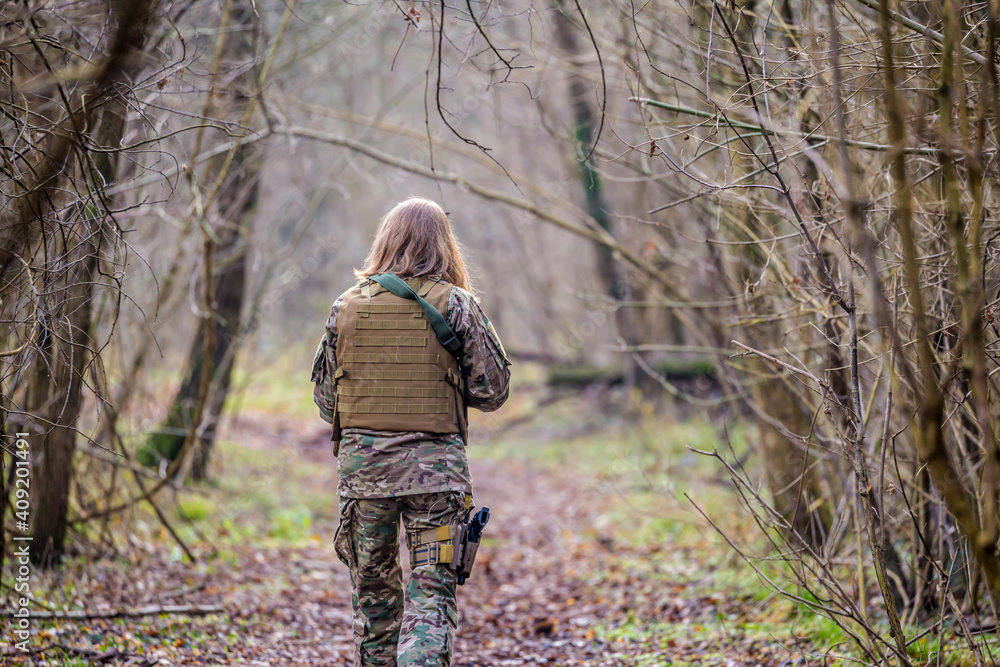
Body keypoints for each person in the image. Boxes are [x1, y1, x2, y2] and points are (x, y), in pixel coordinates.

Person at [311, 196, 511, 667]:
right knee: (431, 599)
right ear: (445, 246)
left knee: (375, 606)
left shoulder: (346, 307)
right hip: (436, 480)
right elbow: (494, 390)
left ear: (386, 241)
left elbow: (325, 402)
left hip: (365, 481)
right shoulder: (457, 305)